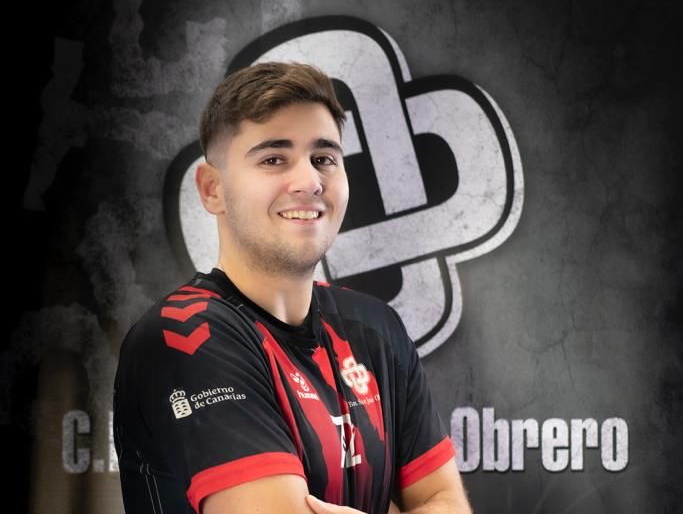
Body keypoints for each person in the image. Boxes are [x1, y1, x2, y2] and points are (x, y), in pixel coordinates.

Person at [113, 61, 472, 514]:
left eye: (324, 159)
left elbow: (447, 502)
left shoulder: (376, 327)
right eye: (273, 159)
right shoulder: (184, 336)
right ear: (212, 189)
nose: (309, 182)